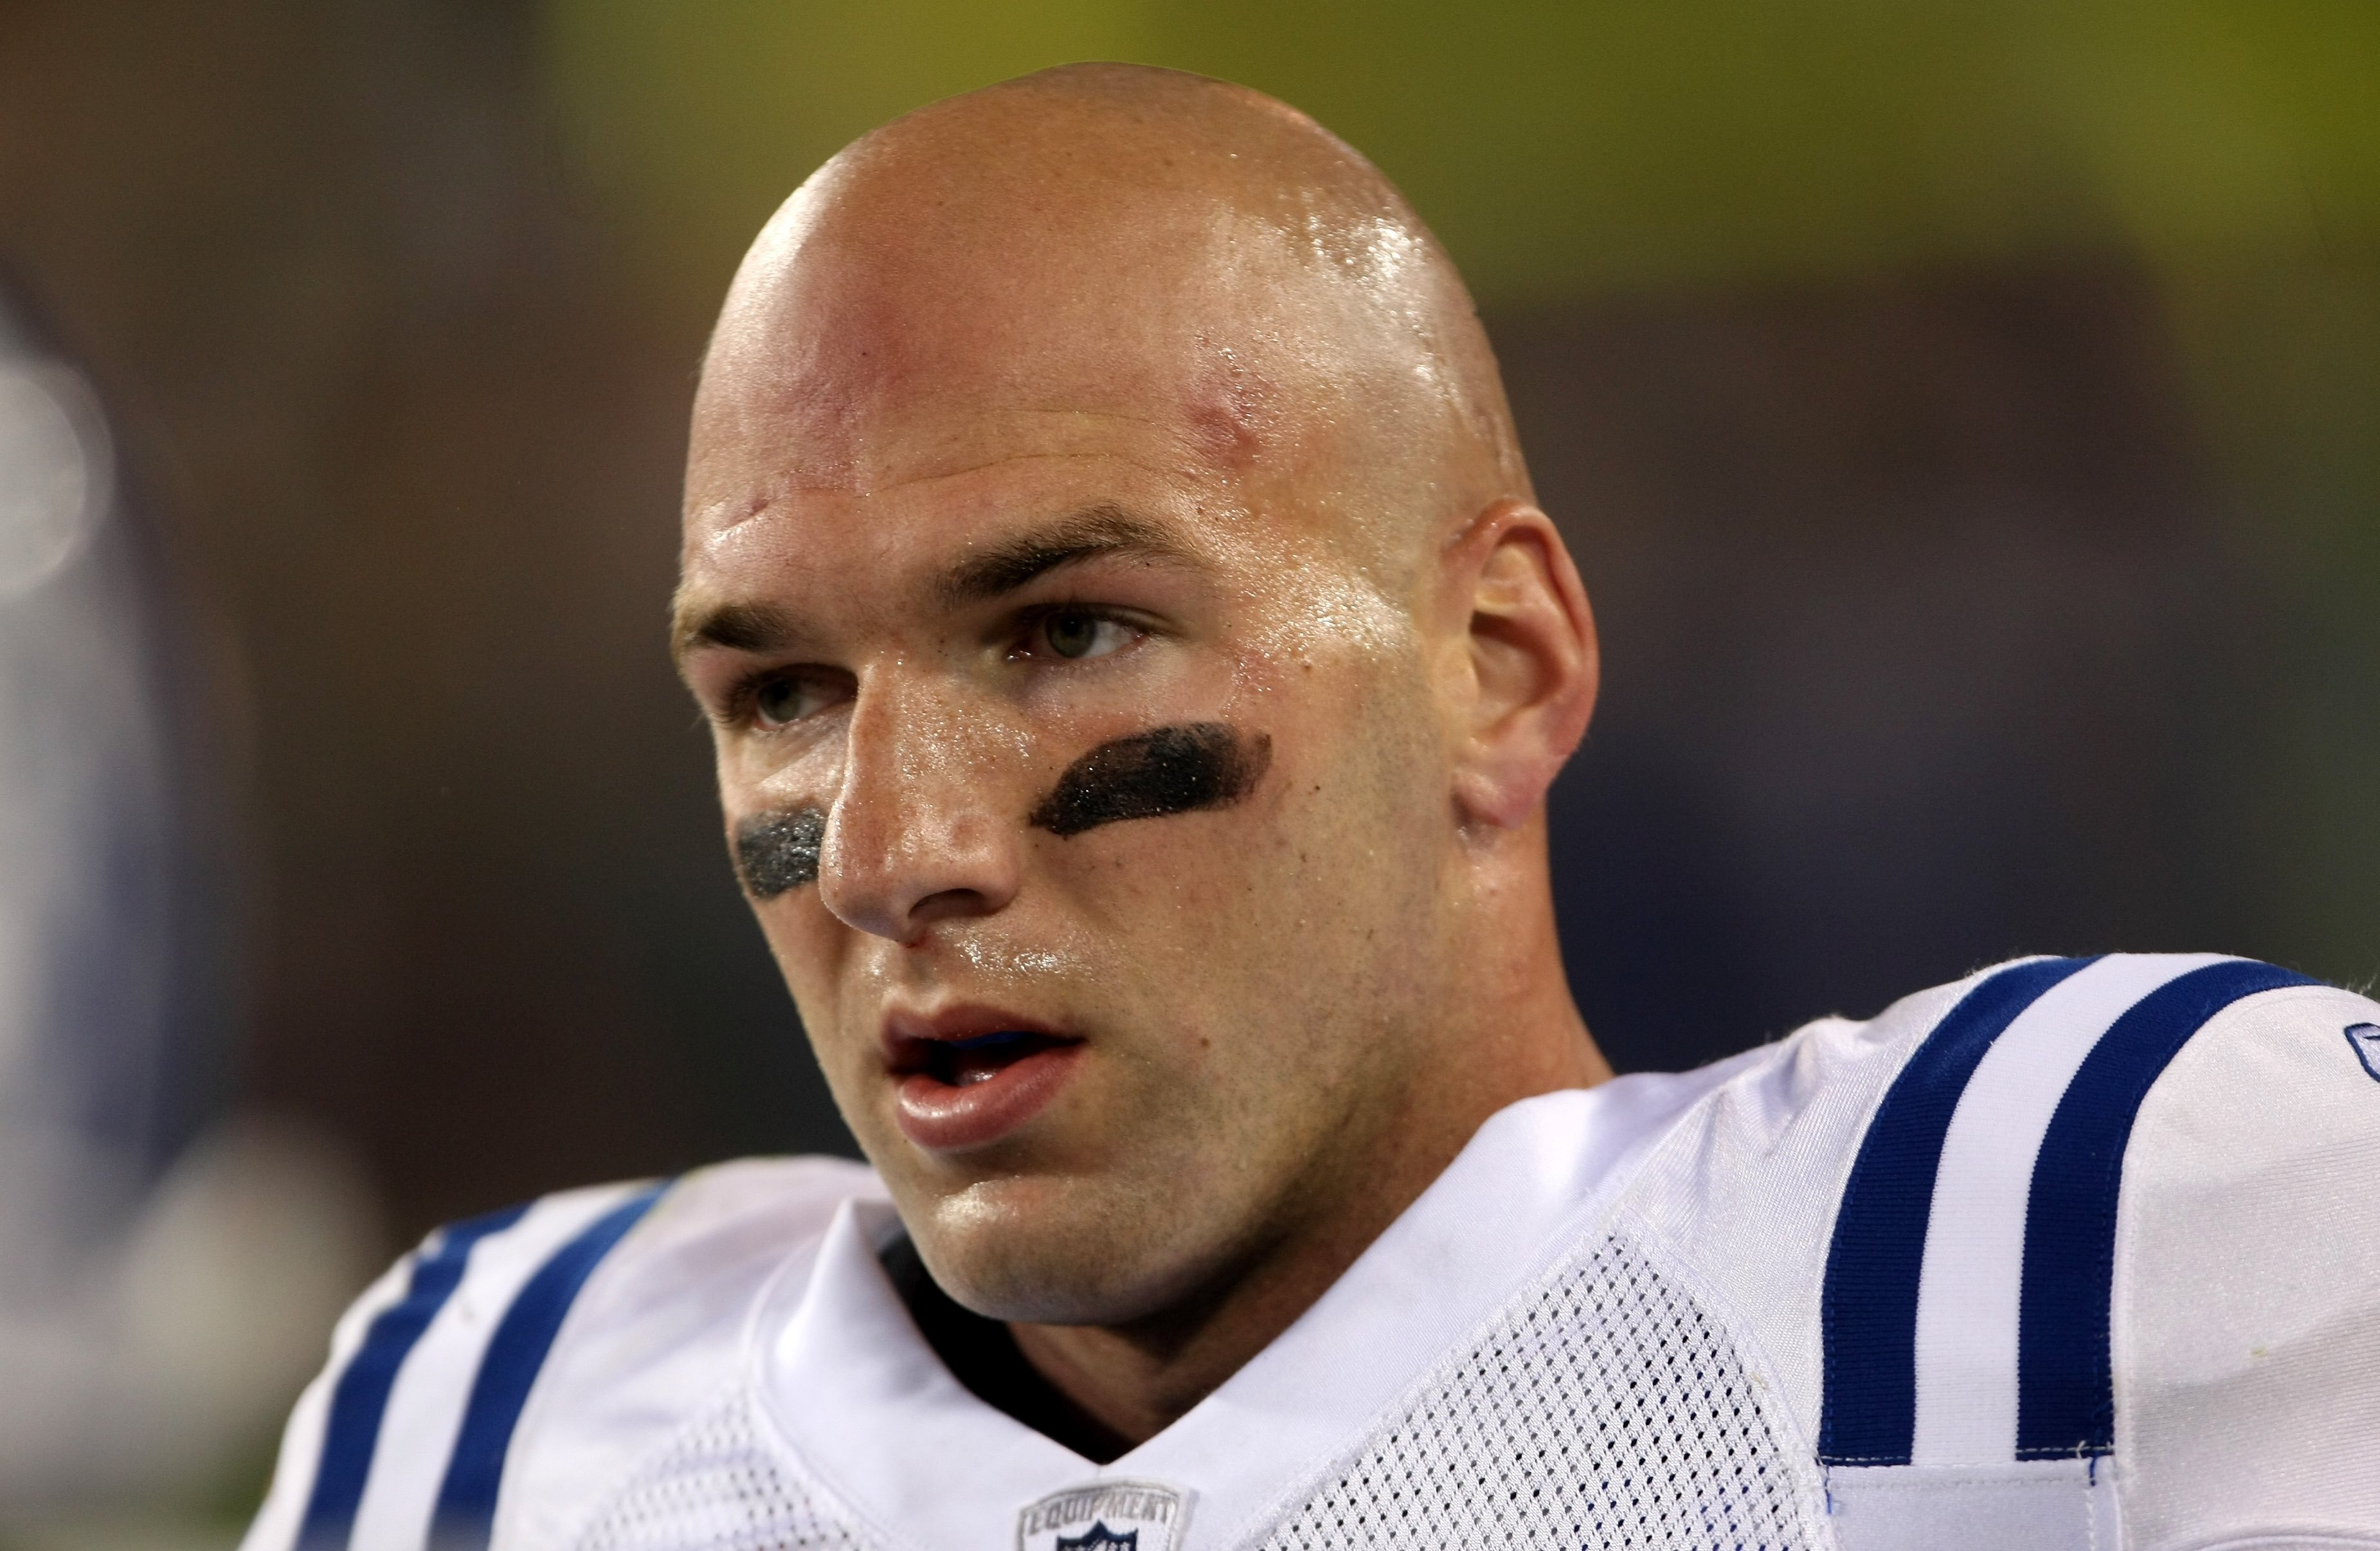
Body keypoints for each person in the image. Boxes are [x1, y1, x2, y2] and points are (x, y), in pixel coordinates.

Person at [240, 64, 2380, 1551]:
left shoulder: (2057, 1254)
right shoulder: (504, 1416)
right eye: (782, 688)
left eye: (1070, 630)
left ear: (1496, 666)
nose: (895, 850)